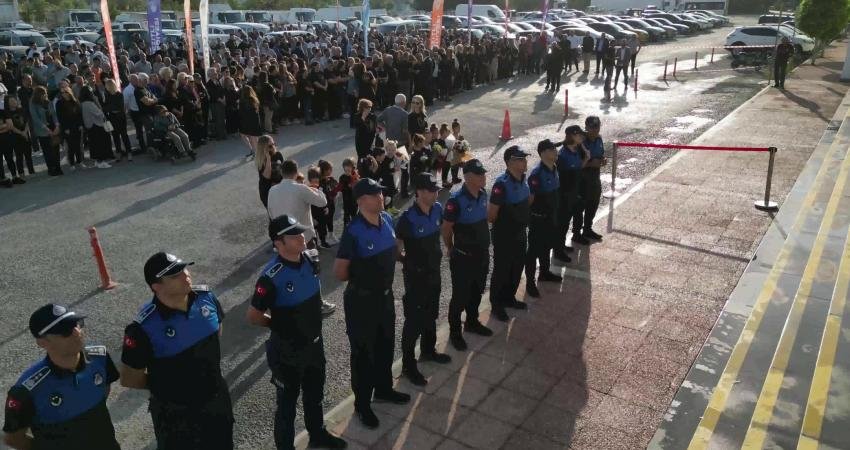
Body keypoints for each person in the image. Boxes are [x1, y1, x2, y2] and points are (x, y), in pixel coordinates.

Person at [246, 215, 348, 450]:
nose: (301, 237)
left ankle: (317, 434)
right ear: (278, 243)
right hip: (287, 352)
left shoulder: (311, 258)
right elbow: (253, 316)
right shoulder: (271, 277)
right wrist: (279, 325)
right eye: (293, 235)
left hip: (314, 344)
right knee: (287, 406)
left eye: (300, 232)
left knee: (315, 394)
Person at [120, 252, 234, 450]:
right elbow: (130, 378)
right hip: (176, 415)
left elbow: (216, 334)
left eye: (184, 269)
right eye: (174, 276)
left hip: (216, 400)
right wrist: (167, 385)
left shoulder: (206, 298)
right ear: (156, 287)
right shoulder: (142, 328)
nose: (185, 276)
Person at [333, 178, 410, 429]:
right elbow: (340, 272)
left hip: (385, 297)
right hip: (362, 302)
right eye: (374, 194)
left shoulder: (386, 219)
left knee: (385, 345)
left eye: (380, 192)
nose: (380, 197)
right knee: (364, 354)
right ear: (360, 201)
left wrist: (400, 258)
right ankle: (363, 405)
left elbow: (393, 246)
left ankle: (384, 389)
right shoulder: (353, 231)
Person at [3, 304, 121, 450]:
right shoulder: (27, 391)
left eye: (77, 324)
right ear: (42, 342)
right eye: (66, 331)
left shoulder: (100, 358)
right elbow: (13, 438)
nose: (77, 332)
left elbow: (103, 391)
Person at [396, 173, 452, 386]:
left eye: (436, 189)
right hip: (416, 278)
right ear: (418, 192)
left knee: (432, 313)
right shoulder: (407, 218)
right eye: (430, 189)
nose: (435, 193)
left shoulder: (437, 208)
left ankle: (428, 351)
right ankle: (409, 366)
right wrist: (406, 262)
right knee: (414, 321)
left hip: (434, 274)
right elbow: (396, 247)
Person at [267, 159, 337, 316]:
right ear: (295, 171)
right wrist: (315, 188)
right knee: (311, 272)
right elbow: (322, 201)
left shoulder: (272, 191)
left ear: (282, 172)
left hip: (283, 241)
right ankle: (318, 304)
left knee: (287, 273)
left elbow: (271, 213)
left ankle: (291, 303)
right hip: (303, 238)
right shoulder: (301, 188)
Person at [442, 159, 493, 351]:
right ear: (468, 177)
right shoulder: (456, 201)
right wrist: (450, 247)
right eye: (479, 174)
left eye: (484, 174)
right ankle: (455, 332)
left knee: (477, 290)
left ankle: (472, 321)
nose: (484, 177)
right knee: (460, 296)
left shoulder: (482, 194)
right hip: (463, 257)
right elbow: (446, 228)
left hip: (482, 254)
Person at [487, 146, 532, 322]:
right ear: (510, 162)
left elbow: (528, 201)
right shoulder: (501, 184)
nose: (525, 161)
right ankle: (497, 304)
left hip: (520, 232)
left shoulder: (523, 179)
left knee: (517, 266)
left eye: (524, 158)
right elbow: (491, 215)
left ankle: (509, 298)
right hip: (504, 235)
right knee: (502, 269)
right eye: (520, 159)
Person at [525, 139, 564, 298]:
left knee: (547, 245)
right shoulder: (536, 174)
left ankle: (545, 273)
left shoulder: (554, 167)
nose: (556, 151)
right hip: (539, 218)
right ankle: (530, 283)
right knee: (533, 251)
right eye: (552, 149)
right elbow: (530, 200)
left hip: (551, 216)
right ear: (543, 153)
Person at [553, 125, 589, 262]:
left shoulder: (576, 150)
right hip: (564, 194)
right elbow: (561, 177)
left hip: (574, 192)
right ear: (572, 136)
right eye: (579, 135)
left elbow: (578, 168)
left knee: (568, 221)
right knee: (562, 224)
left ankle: (561, 245)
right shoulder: (562, 155)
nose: (582, 137)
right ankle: (558, 250)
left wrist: (586, 156)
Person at [578, 116, 606, 242]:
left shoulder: (599, 139)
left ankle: (588, 229)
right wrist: (590, 164)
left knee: (593, 204)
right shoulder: (581, 142)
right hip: (582, 178)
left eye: (597, 126)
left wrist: (602, 160)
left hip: (595, 177)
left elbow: (601, 154)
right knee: (579, 207)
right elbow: (575, 164)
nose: (595, 130)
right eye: (592, 127)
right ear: (586, 127)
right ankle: (576, 234)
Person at [29, 86, 62, 176]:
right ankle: (51, 168)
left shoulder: (49, 102)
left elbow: (54, 114)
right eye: (43, 94)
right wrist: (47, 129)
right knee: (47, 151)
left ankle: (58, 167)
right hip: (42, 130)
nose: (45, 95)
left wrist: (57, 125)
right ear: (38, 94)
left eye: (46, 93)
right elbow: (35, 118)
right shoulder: (33, 104)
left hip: (53, 127)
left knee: (56, 149)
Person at [80, 87, 114, 168]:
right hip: (96, 125)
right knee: (100, 144)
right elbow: (99, 113)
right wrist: (97, 101)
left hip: (89, 126)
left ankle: (97, 161)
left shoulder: (82, 103)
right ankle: (101, 161)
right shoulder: (90, 103)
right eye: (91, 92)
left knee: (94, 144)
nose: (93, 94)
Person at [104, 78, 133, 162]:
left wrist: (110, 108)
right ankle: (119, 153)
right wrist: (111, 108)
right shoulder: (107, 95)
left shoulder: (119, 94)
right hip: (112, 118)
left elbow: (119, 107)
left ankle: (129, 152)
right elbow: (106, 108)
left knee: (124, 136)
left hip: (120, 117)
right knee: (116, 136)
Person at [256, 134, 284, 208]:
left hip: (279, 187)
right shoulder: (261, 161)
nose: (273, 147)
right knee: (275, 214)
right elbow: (267, 177)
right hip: (268, 190)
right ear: (263, 148)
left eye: (274, 144)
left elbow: (283, 171)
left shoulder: (278, 154)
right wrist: (268, 158)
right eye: (270, 146)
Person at [240, 85, 263, 159]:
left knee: (246, 136)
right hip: (255, 120)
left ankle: (254, 151)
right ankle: (255, 151)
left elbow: (241, 112)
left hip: (247, 121)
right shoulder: (254, 99)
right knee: (254, 138)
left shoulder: (243, 101)